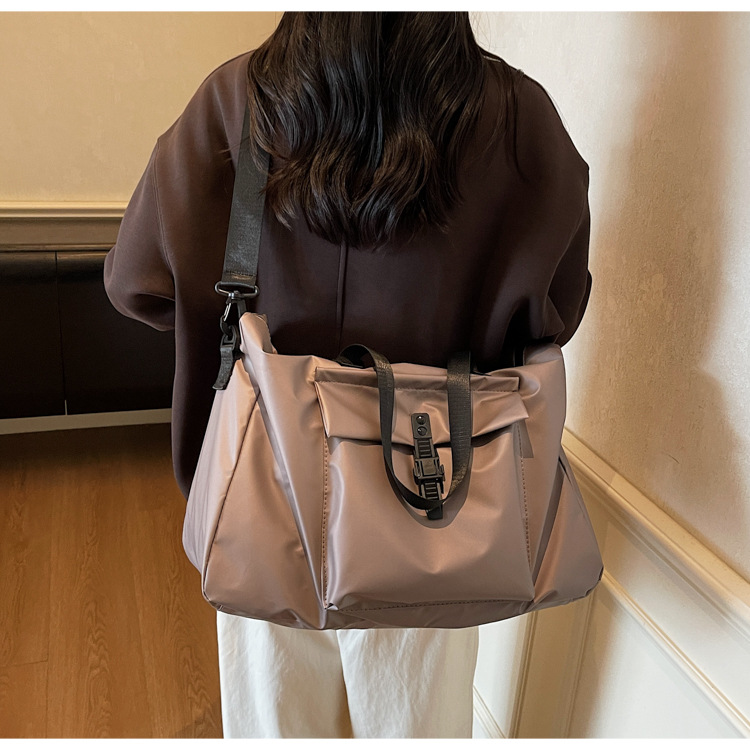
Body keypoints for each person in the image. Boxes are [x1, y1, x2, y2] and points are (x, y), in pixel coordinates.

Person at [104, 11, 591, 739]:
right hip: (442, 502)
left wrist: (233, 324)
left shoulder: (238, 101)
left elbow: (134, 284)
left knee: (274, 720)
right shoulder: (519, 117)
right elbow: (557, 311)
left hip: (265, 493)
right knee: (421, 721)